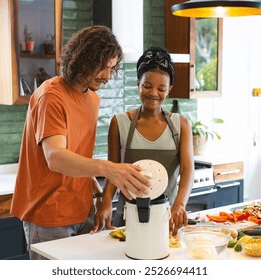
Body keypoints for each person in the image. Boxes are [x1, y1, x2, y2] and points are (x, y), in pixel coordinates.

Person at [10, 25, 150, 260]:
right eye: (103, 66)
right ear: (83, 58)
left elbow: (76, 153)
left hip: (81, 210)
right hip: (48, 216)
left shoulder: (92, 99)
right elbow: (55, 157)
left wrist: (95, 189)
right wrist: (109, 168)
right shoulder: (51, 96)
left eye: (111, 68)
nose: (107, 75)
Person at [92, 46, 194, 236]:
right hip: (126, 218)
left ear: (169, 90)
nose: (153, 93)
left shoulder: (181, 125)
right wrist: (106, 202)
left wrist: (179, 205)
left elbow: (188, 170)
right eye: (147, 86)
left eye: (161, 88)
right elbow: (112, 170)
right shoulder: (119, 122)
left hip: (167, 219)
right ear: (138, 83)